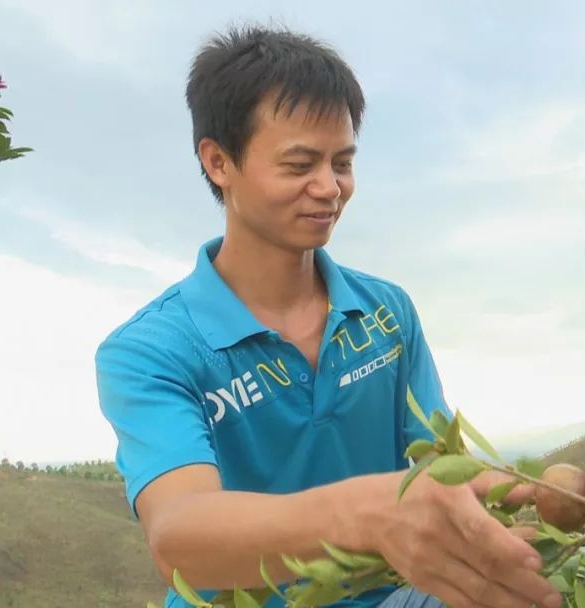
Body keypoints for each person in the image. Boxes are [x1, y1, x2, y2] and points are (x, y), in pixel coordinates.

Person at [95, 26, 561, 608]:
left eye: (342, 163)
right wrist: (365, 515)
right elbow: (181, 536)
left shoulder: (386, 314)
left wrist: (541, 499)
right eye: (298, 165)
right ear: (218, 162)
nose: (329, 188)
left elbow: (438, 470)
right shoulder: (152, 351)